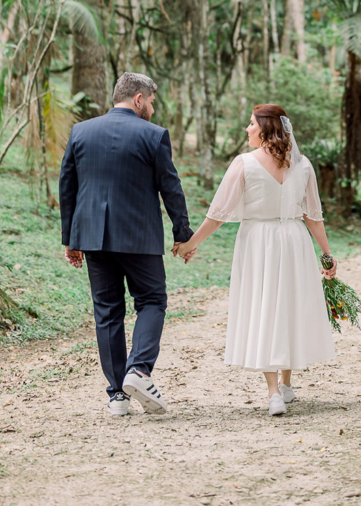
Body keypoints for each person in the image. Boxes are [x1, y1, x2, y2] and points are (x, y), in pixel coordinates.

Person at [176, 104, 337, 415]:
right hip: (293, 240)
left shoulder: (244, 164)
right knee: (289, 305)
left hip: (259, 242)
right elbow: (313, 217)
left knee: (267, 308)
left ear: (265, 128)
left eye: (251, 124)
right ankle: (285, 385)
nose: (247, 129)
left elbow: (217, 214)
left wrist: (190, 244)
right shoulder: (303, 165)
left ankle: (275, 392)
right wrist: (327, 254)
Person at [59, 72, 193, 416]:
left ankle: (117, 395)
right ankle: (139, 370)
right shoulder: (153, 135)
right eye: (150, 100)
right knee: (151, 301)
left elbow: (68, 187)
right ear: (137, 99)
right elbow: (171, 187)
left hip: (92, 238)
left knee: (107, 311)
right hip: (139, 237)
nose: (151, 107)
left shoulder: (81, 131)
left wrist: (70, 239)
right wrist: (183, 234)